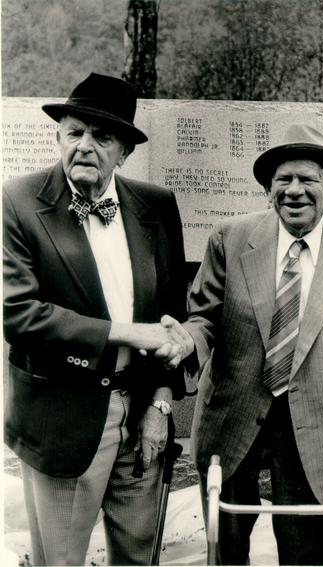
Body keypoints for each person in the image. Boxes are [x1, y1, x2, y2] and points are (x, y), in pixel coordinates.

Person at [155, 124, 323, 565]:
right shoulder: (230, 237)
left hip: (317, 428)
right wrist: (186, 343)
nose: (294, 191)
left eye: (307, 179)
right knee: (223, 547)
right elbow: (205, 319)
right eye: (282, 180)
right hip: (232, 417)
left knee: (306, 551)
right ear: (268, 189)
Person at [3, 73, 187, 566]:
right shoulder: (18, 202)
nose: (85, 145)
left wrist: (161, 403)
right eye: (74, 132)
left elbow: (173, 314)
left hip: (144, 412)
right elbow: (18, 314)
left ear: (124, 150)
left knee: (140, 557)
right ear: (58, 135)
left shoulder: (156, 206)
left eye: (102, 136)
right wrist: (127, 333)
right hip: (62, 419)